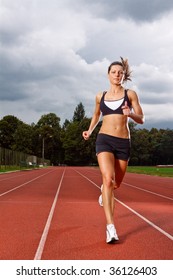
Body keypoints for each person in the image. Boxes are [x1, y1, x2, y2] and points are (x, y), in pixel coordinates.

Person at [82, 57, 144, 244]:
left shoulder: (130, 94)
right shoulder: (100, 96)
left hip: (123, 142)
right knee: (108, 179)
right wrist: (90, 131)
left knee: (115, 184)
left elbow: (141, 118)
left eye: (120, 72)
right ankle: (110, 227)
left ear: (123, 75)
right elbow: (95, 115)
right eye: (113, 72)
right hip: (104, 140)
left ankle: (105, 191)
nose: (117, 75)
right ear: (108, 75)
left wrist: (130, 113)